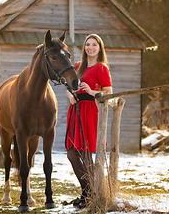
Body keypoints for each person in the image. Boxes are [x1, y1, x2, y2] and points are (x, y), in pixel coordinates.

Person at [65, 34, 112, 208]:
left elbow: (108, 92)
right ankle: (87, 192)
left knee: (86, 155)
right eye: (87, 44)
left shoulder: (101, 68)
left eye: (94, 45)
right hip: (75, 110)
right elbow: (69, 88)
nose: (90, 48)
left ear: (99, 48)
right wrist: (70, 95)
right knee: (72, 153)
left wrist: (93, 92)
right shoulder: (77, 66)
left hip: (89, 110)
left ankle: (90, 195)